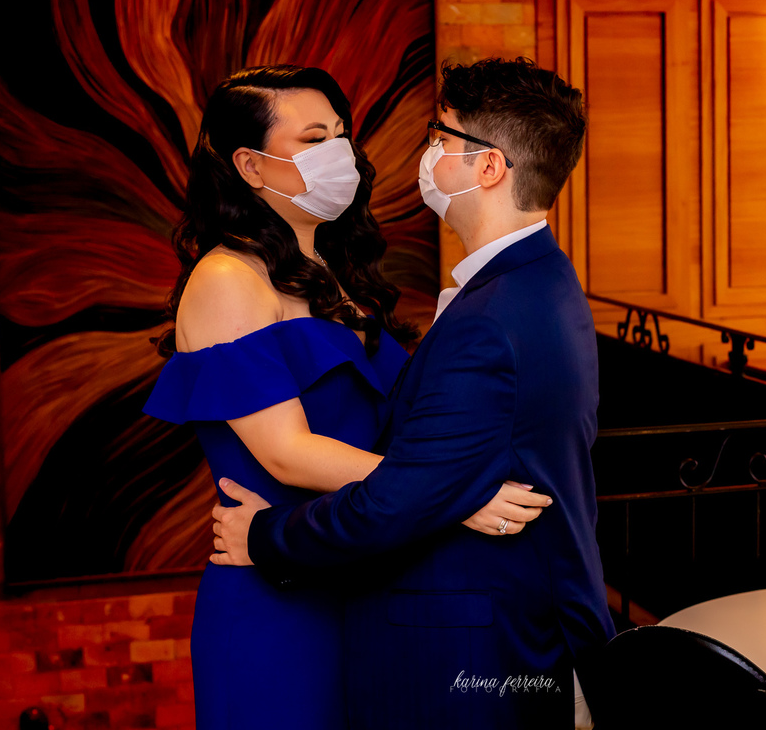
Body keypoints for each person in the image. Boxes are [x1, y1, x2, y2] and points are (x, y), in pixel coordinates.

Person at [211, 58, 616, 730]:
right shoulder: (541, 280)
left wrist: (264, 534)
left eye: (441, 138)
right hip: (470, 620)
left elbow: (395, 504)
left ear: (489, 167)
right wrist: (456, 491)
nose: (427, 153)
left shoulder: (492, 317)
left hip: (471, 645)